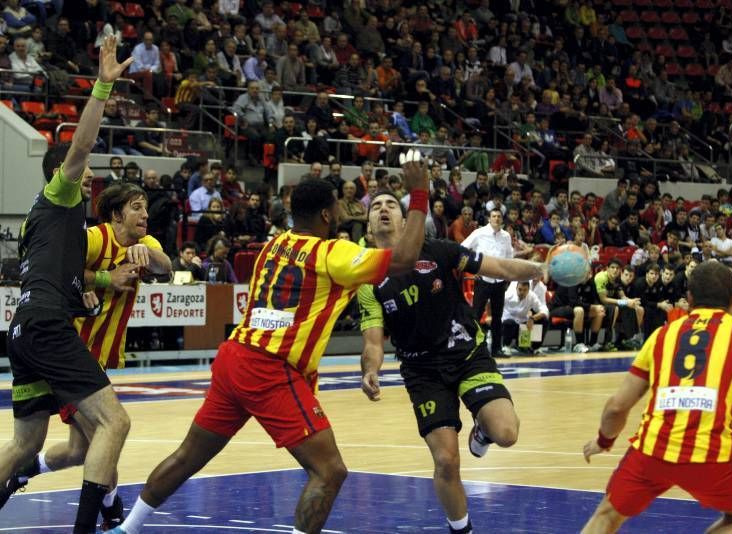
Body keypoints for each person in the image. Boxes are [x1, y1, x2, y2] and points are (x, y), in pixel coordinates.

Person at [111, 154, 432, 534]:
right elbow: (407, 258)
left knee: (187, 457)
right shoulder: (333, 253)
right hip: (270, 367)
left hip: (235, 357)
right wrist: (420, 194)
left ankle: (124, 529)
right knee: (330, 472)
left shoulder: (273, 245)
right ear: (327, 216)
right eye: (337, 207)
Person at [0, 36, 134, 534]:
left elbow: (57, 272)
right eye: (85, 171)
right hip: (46, 326)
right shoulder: (59, 194)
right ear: (62, 173)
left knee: (25, 444)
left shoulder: (47, 222)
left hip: (24, 329)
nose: (91, 175)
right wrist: (102, 85)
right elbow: (80, 144)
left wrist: (100, 280)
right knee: (115, 423)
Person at [358, 189, 545, 534]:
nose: (383, 209)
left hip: (467, 354)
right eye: (376, 207)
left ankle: (482, 432)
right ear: (368, 229)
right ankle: (461, 530)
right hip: (423, 371)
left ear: (406, 220)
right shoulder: (368, 280)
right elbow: (373, 339)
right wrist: (370, 369)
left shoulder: (440, 250)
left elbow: (501, 266)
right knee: (446, 460)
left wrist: (538, 268)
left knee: (506, 433)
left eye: (390, 205)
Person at [581, 261, 732, 533]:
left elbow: (617, 406)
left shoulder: (661, 335)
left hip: (652, 453)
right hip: (710, 457)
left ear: (691, 299)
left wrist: (604, 440)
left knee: (607, 515)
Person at [6, 183, 172, 529]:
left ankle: (24, 470)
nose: (144, 215)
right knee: (108, 430)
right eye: (136, 208)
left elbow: (166, 268)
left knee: (80, 450)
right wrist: (103, 279)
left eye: (145, 208)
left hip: (96, 358)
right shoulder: (95, 238)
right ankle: (110, 512)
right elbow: (59, 273)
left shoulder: (146, 241)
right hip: (67, 352)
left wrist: (148, 254)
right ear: (116, 215)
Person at [460, 208, 515, 357]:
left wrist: (508, 276)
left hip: (499, 281)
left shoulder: (506, 236)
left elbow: (509, 257)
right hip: (483, 279)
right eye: (494, 216)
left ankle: (496, 349)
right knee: (476, 315)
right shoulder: (479, 233)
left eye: (499, 216)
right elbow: (463, 249)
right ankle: (472, 348)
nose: (496, 219)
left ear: (502, 219)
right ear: (489, 219)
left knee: (498, 317)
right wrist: (472, 270)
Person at [501, 280, 549, 355]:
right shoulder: (508, 295)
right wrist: (489, 316)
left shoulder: (532, 296)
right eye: (520, 289)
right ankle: (506, 346)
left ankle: (535, 348)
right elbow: (491, 303)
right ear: (516, 288)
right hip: (508, 325)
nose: (522, 292)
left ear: (528, 290)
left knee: (544, 320)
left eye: (525, 290)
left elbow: (544, 310)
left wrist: (533, 318)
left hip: (524, 327)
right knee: (509, 323)